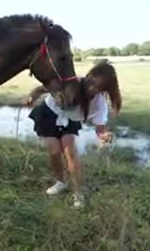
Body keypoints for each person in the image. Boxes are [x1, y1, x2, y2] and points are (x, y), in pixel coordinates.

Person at [22, 62, 122, 208]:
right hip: (48, 114)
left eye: (98, 87)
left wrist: (104, 136)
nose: (91, 89)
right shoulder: (71, 83)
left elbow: (100, 129)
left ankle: (78, 194)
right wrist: (32, 97)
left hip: (70, 121)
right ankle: (60, 181)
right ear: (88, 77)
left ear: (104, 89)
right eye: (91, 83)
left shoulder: (99, 103)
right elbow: (41, 89)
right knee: (55, 151)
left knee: (70, 152)